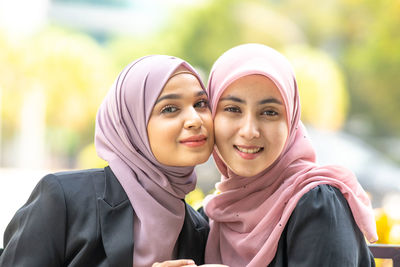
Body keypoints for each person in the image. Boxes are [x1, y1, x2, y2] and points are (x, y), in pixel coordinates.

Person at [0, 55, 214, 267]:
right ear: (131, 124)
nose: (195, 119)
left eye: (201, 103)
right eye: (169, 109)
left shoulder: (198, 230)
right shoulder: (65, 199)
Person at [202, 43, 378, 267]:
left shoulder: (317, 204)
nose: (249, 131)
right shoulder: (214, 215)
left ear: (292, 122)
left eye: (269, 112)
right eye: (233, 109)